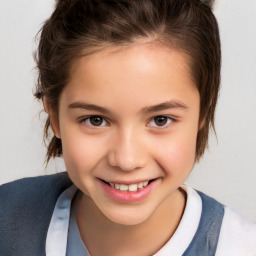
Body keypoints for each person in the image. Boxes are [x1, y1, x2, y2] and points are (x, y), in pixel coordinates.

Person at [0, 0, 256, 255]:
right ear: (54, 116)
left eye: (160, 120)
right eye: (95, 120)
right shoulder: (7, 217)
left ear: (202, 112)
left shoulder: (239, 247)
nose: (126, 160)